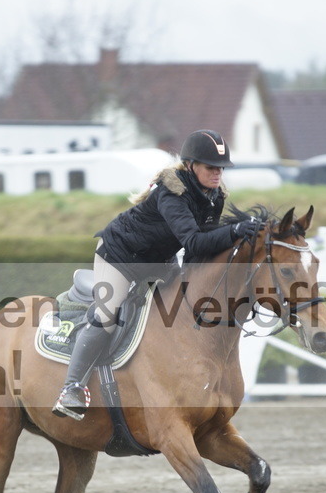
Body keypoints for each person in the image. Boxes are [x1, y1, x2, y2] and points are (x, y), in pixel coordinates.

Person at [52, 129, 264, 420]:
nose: (218, 174)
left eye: (221, 168)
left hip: (158, 260)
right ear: (191, 166)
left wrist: (236, 239)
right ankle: (71, 388)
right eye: (211, 167)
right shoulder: (171, 192)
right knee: (107, 314)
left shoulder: (215, 196)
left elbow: (196, 252)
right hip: (120, 257)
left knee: (181, 307)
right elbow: (193, 241)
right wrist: (234, 230)